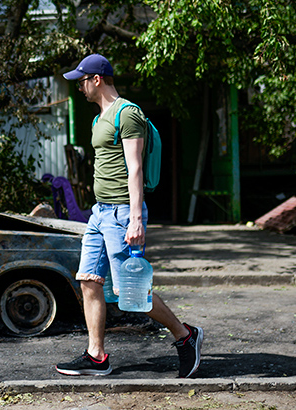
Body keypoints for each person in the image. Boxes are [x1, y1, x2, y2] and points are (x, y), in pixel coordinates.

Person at [55, 53, 204, 378]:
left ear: (97, 79)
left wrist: (136, 218)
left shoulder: (128, 113)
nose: (79, 87)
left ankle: (185, 335)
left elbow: (135, 167)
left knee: (130, 292)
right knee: (89, 281)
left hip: (123, 213)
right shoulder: (98, 119)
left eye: (81, 80)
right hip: (100, 214)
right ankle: (96, 356)